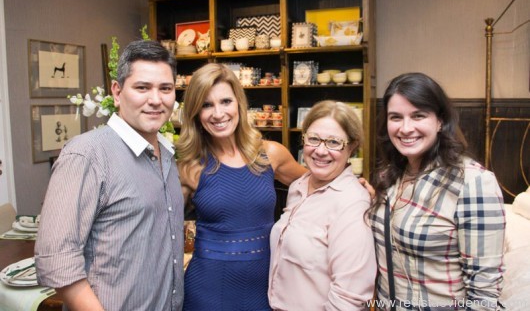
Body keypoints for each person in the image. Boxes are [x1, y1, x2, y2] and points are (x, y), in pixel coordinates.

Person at [35, 40, 184, 311]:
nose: (155, 99)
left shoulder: (166, 152)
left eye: (165, 88)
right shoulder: (86, 155)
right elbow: (57, 260)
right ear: (117, 92)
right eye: (142, 87)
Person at [176, 63, 307, 310]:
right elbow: (161, 230)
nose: (218, 113)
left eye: (225, 101)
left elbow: (318, 187)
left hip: (265, 288)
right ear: (195, 113)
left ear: (239, 103)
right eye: (206, 105)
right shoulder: (189, 168)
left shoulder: (271, 154)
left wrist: (354, 185)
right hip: (208, 291)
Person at [370, 72, 505, 310]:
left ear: (440, 121)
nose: (405, 128)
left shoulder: (473, 182)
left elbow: (483, 292)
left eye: (418, 116)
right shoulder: (390, 176)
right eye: (395, 117)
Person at [268, 100, 377, 310]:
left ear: (352, 147)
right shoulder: (298, 187)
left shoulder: (352, 202)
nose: (320, 151)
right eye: (314, 139)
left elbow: (350, 297)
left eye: (334, 142)